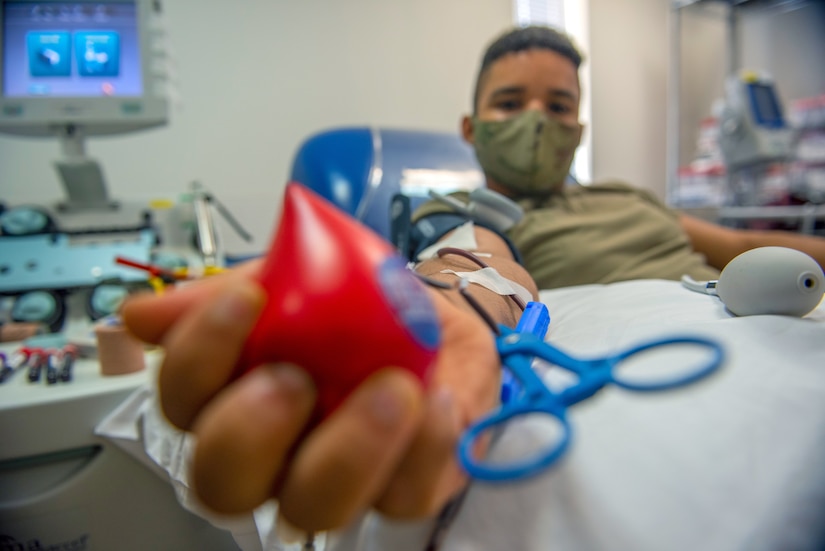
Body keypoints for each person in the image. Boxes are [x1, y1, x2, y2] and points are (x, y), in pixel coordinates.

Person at [122, 24, 825, 550]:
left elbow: (737, 245)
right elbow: (472, 264)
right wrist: (436, 307)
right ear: (470, 128)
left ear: (578, 127)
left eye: (557, 105)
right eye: (510, 102)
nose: (536, 121)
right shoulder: (465, 213)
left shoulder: (629, 196)